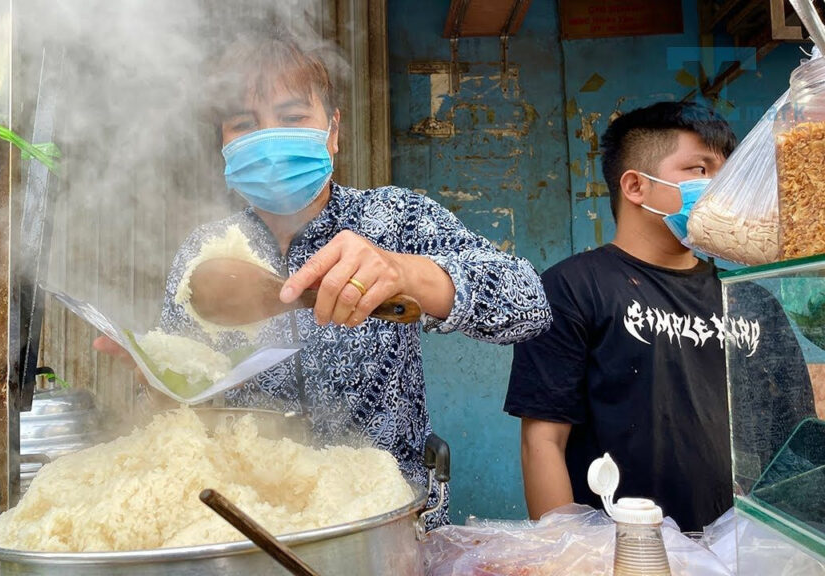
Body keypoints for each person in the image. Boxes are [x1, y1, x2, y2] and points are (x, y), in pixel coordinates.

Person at [99, 30, 552, 528]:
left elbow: (529, 307)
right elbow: (182, 412)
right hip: (254, 525)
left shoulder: (394, 217)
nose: (269, 140)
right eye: (244, 124)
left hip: (388, 520)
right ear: (223, 145)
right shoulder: (203, 255)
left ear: (333, 131)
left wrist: (406, 271)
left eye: (294, 118)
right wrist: (158, 378)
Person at [504, 101, 815, 533]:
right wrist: (568, 556)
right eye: (700, 169)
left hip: (742, 550)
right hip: (623, 551)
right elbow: (543, 442)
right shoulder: (570, 289)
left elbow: (795, 442)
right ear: (635, 186)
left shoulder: (752, 298)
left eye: (725, 173)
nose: (719, 186)